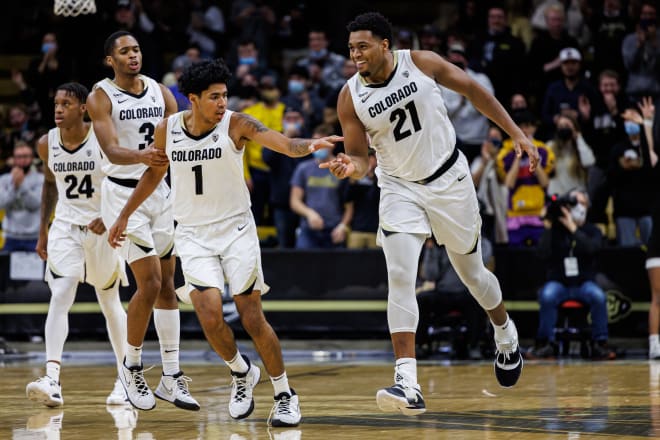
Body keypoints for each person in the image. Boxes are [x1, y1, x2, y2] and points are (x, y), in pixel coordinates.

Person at [106, 58, 342, 426]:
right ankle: (240, 372)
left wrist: (313, 145)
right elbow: (154, 176)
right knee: (209, 314)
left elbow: (285, 144)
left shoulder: (237, 124)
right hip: (193, 233)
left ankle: (284, 394)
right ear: (193, 99)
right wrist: (123, 215)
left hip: (235, 230)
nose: (222, 103)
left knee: (251, 317)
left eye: (225, 96)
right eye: (214, 97)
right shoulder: (166, 129)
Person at [326, 12, 538, 415]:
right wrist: (349, 168)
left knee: (472, 274)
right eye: (352, 48)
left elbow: (476, 92)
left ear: (385, 44)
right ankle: (408, 381)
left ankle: (505, 333)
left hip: (448, 180)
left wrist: (517, 134)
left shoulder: (421, 63)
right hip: (398, 187)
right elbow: (359, 157)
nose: (356, 55)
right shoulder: (349, 96)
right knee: (401, 276)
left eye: (363, 46)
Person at [86, 30, 199, 412]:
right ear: (110, 60)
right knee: (148, 281)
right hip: (121, 193)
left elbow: (181, 137)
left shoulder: (160, 92)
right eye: (124, 51)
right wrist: (145, 156)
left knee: (168, 285)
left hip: (161, 191)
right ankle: (131, 366)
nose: (133, 56)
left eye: (136, 49)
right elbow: (112, 151)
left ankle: (171, 374)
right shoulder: (99, 96)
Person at [25, 82, 128, 408]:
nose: (58, 109)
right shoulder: (46, 144)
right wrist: (43, 229)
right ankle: (52, 378)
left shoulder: (102, 139)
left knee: (109, 302)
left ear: (83, 108)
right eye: (56, 103)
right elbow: (49, 184)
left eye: (66, 103)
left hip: (102, 228)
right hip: (66, 227)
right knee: (61, 290)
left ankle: (127, 379)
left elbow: (121, 181)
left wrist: (110, 216)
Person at [531, 189, 616, 360]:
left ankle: (600, 343)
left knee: (598, 296)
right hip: (559, 282)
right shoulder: (555, 230)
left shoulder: (593, 230)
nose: (578, 207)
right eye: (574, 203)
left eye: (582, 203)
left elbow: (592, 249)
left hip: (584, 282)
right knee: (547, 295)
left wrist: (573, 228)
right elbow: (541, 253)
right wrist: (548, 225)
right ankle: (544, 344)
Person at [0, 141, 43, 251]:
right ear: (13, 158)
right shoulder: (4, 180)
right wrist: (14, 187)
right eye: (18, 157)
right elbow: (2, 204)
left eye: (25, 156)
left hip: (34, 238)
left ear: (32, 158)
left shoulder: (40, 179)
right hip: (11, 237)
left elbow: (34, 205)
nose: (22, 160)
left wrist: (21, 185)